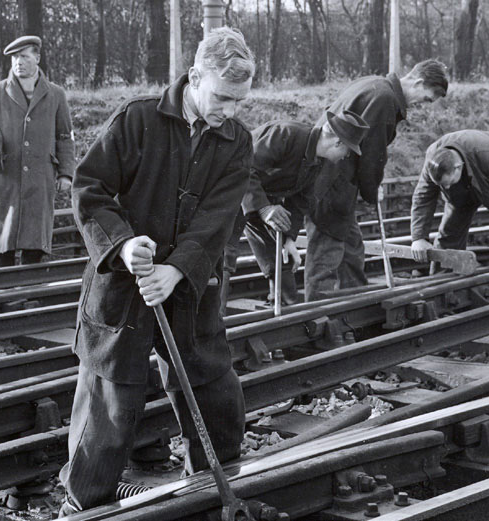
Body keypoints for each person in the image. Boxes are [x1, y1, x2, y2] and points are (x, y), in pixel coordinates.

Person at [58, 27, 257, 516]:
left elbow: (217, 219)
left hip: (190, 288)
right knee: (107, 412)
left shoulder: (236, 141)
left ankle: (206, 499)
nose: (230, 111)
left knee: (214, 393)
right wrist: (123, 245)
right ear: (195, 77)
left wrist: (177, 270)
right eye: (222, 98)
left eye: (239, 101)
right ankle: (81, 508)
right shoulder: (137, 120)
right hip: (122, 288)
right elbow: (89, 190)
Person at [304, 59, 449, 301]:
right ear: (418, 83)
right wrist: (372, 190)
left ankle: (355, 307)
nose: (420, 105)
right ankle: (317, 316)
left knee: (351, 247)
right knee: (326, 252)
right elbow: (372, 154)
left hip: (332, 180)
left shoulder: (373, 84)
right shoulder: (385, 99)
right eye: (425, 99)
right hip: (329, 183)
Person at [239, 111, 369, 306]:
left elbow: (300, 202)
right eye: (348, 151)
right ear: (337, 143)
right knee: (223, 259)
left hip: (259, 197)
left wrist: (289, 238)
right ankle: (214, 318)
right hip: (227, 189)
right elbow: (243, 169)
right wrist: (265, 208)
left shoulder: (321, 163)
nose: (346, 156)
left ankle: (284, 309)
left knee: (282, 257)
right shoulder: (285, 134)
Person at [0, 35, 76, 268]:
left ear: (37, 58)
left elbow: (64, 137)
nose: (19, 62)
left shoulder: (56, 95)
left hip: (40, 181)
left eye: (25, 56)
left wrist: (66, 173)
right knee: (1, 246)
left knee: (34, 249)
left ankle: (31, 291)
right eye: (15, 57)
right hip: (4, 180)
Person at [410, 129, 489, 299]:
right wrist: (418, 237)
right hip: (464, 188)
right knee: (449, 235)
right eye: (442, 186)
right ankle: (443, 293)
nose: (446, 188)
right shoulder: (433, 159)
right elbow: (423, 197)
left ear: (458, 167)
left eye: (448, 183)